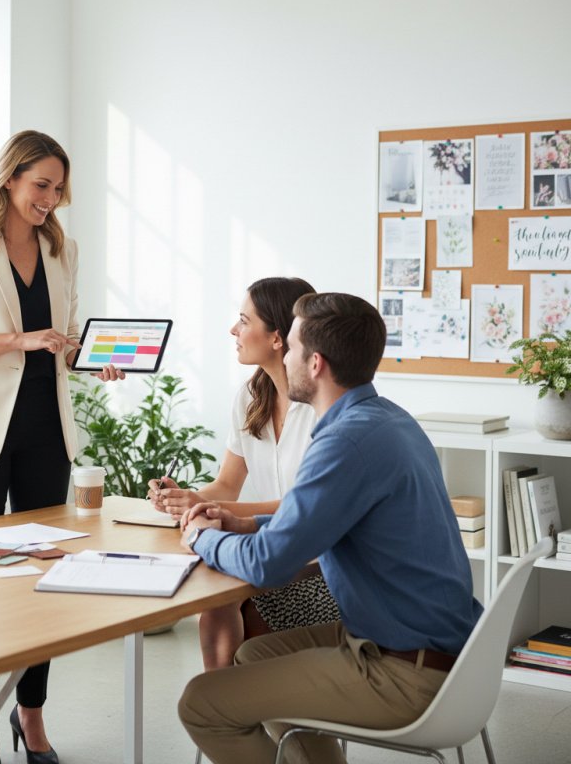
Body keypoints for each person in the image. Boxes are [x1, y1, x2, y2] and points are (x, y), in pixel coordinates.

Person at [177, 292, 483, 764]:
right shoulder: (389, 420)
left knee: (201, 703)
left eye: (293, 348)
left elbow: (268, 565)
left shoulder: (344, 442)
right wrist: (246, 523)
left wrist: (202, 537)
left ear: (315, 363)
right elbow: (318, 520)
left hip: (405, 672)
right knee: (256, 655)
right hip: (439, 651)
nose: (285, 357)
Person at [0, 130, 123, 764]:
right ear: (9, 178)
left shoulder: (62, 250)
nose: (51, 199)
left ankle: (30, 713)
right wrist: (18, 340)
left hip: (45, 431)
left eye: (59, 189)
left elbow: (64, 339)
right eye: (42, 185)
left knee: (45, 574)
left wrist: (94, 359)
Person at [146, 277, 339, 670]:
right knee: (217, 593)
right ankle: (219, 696)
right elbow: (227, 484)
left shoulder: (323, 405)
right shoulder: (251, 397)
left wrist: (211, 509)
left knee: (226, 592)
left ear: (277, 338)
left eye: (244, 320)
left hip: (319, 570)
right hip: (271, 549)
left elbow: (303, 507)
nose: (233, 330)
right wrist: (185, 498)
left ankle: (228, 696)